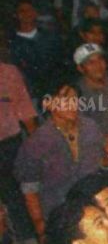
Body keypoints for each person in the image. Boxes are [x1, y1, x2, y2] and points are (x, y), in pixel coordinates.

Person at [14, 83, 108, 240]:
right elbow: (30, 189)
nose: (72, 104)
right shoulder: (37, 142)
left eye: (75, 99)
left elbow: (100, 170)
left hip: (93, 215)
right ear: (48, 104)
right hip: (59, 217)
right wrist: (40, 226)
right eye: (65, 99)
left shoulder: (90, 128)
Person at [0, 61, 38, 243]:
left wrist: (36, 144)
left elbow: (25, 109)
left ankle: (26, 238)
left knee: (16, 197)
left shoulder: (7, 72)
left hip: (9, 145)